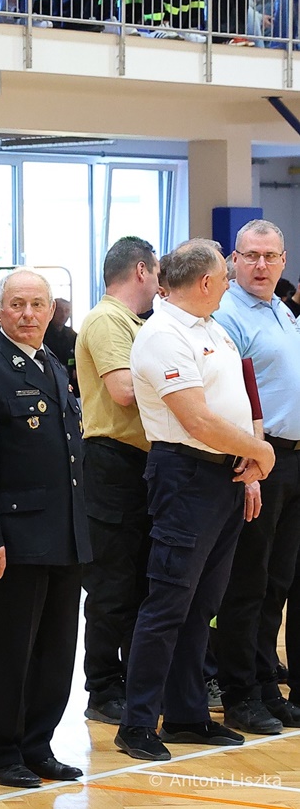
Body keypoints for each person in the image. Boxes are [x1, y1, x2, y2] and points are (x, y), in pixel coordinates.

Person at [117, 239, 275, 761]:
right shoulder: (163, 334)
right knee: (168, 602)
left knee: (202, 605)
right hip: (185, 476)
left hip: (225, 475)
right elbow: (197, 419)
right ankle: (137, 722)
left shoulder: (212, 328)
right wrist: (261, 452)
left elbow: (236, 402)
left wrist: (249, 466)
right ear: (206, 282)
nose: (229, 285)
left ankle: (187, 715)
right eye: (225, 278)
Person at [0, 269, 90, 789]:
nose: (28, 314)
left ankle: (38, 745)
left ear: (51, 310)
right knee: (11, 650)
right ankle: (1, 751)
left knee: (56, 651)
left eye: (38, 304)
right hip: (16, 538)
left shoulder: (53, 364)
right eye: (17, 304)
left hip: (64, 532)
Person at [212, 219, 300, 734]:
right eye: (251, 256)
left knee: (276, 584)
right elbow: (232, 399)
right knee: (247, 584)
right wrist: (249, 467)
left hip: (291, 460)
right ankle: (240, 694)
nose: (261, 265)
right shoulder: (228, 314)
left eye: (270, 256)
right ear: (234, 260)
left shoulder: (281, 311)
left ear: (283, 261)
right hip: (257, 462)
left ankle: (267, 686)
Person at [75, 235, 160, 725]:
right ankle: (103, 686)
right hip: (112, 462)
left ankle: (130, 680)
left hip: (138, 464)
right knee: (112, 584)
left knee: (138, 581)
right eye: (158, 272)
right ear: (141, 270)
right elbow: (124, 390)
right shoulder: (107, 319)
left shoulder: (136, 322)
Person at [44, 298, 78, 396]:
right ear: (52, 310)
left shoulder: (72, 335)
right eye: (60, 310)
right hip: (49, 383)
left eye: (67, 311)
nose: (63, 314)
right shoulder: (42, 333)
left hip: (71, 386)